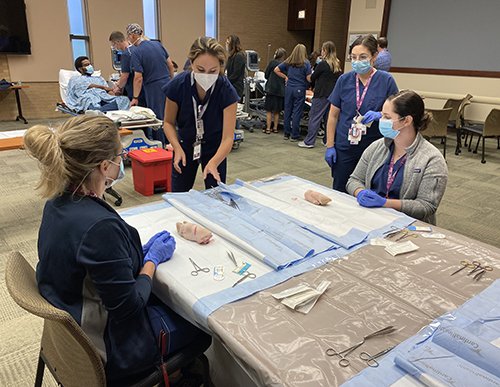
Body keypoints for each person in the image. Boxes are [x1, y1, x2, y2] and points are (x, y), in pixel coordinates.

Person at [22, 115, 206, 384]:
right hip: (110, 348)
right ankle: (177, 375)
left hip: (72, 326)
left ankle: (175, 370)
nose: (123, 161)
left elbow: (87, 261)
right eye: (121, 155)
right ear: (104, 166)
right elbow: (128, 307)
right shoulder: (99, 227)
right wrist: (151, 260)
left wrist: (132, 254)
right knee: (198, 326)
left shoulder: (58, 203)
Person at [346, 90, 448, 225]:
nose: (381, 121)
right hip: (371, 219)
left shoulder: (432, 159)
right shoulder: (377, 147)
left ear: (406, 120)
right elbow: (354, 180)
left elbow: (426, 206)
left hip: (409, 226)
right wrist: (360, 192)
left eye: (387, 117)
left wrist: (385, 203)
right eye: (381, 116)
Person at [163, 37, 239, 192]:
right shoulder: (178, 85)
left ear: (220, 67)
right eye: (200, 70)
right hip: (184, 145)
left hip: (215, 148)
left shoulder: (226, 91)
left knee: (216, 195)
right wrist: (176, 147)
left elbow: (228, 138)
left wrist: (214, 162)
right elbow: (168, 122)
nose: (206, 76)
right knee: (179, 194)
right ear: (191, 64)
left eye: (213, 71)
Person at [325, 34, 399, 193]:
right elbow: (333, 115)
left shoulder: (386, 80)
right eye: (354, 57)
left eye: (363, 57)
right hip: (345, 145)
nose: (358, 61)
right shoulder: (344, 80)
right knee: (341, 189)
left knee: (371, 190)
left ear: (374, 57)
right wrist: (330, 145)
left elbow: (397, 113)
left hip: (374, 147)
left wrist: (380, 115)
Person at [127, 23, 174, 145]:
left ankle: (161, 147)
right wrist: (171, 81)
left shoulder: (137, 53)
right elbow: (171, 65)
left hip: (154, 88)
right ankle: (172, 144)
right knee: (169, 116)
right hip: (168, 84)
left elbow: (138, 78)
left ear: (132, 35)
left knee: (157, 119)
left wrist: (135, 98)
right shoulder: (158, 45)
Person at [299, 41, 342, 148]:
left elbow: (312, 78)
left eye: (322, 49)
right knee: (330, 118)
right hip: (333, 95)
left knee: (315, 118)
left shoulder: (323, 64)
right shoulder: (337, 63)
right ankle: (327, 140)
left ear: (325, 51)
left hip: (321, 94)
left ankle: (309, 141)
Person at [65, 56, 130, 113]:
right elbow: (83, 86)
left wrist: (115, 94)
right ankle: (99, 111)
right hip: (90, 99)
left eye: (90, 64)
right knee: (87, 99)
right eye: (87, 65)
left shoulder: (99, 78)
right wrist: (102, 87)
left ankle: (100, 111)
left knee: (124, 99)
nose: (90, 66)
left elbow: (108, 91)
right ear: (80, 69)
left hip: (104, 98)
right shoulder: (75, 79)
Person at [275, 44, 312, 141]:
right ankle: (294, 135)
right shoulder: (306, 64)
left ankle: (286, 133)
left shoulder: (288, 62)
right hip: (300, 89)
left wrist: (285, 77)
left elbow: (276, 70)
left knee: (287, 110)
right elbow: (309, 78)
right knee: (297, 112)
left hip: (289, 88)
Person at [109, 30, 147, 107]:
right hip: (144, 87)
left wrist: (118, 87)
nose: (114, 47)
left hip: (135, 90)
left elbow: (125, 76)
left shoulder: (126, 54)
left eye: (113, 45)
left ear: (117, 42)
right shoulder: (136, 49)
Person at [263, 47, 286, 134]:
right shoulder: (285, 65)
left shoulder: (273, 63)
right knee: (277, 111)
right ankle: (275, 128)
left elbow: (266, 75)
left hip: (271, 89)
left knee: (269, 110)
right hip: (281, 91)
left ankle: (268, 128)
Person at [225, 35, 246, 100]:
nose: (226, 45)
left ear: (232, 45)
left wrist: (225, 81)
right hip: (230, 86)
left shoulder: (239, 56)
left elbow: (235, 74)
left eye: (228, 43)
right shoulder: (230, 57)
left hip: (236, 88)